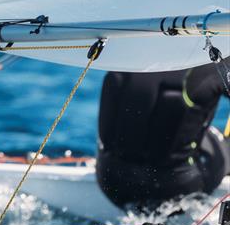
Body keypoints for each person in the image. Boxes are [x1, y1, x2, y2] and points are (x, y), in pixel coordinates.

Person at [96, 65, 230, 211]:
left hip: (112, 182)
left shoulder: (123, 51)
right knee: (218, 139)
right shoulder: (213, 57)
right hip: (178, 190)